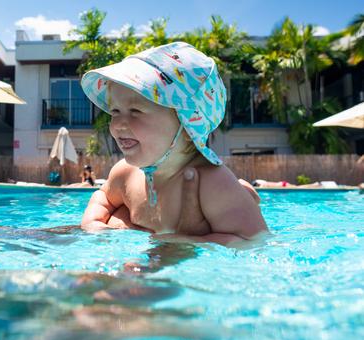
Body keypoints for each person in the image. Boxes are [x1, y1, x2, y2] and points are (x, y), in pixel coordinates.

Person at [79, 42, 267, 245]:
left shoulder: (213, 183)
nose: (118, 124)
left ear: (187, 126)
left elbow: (254, 240)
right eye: (115, 111)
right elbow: (104, 198)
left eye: (136, 111)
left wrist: (190, 242)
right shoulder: (125, 173)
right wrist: (94, 221)